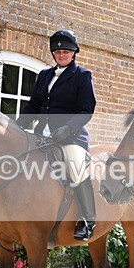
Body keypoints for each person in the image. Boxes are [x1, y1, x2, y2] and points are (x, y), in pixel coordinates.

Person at [16, 29, 97, 240]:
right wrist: (16, 126)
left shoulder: (82, 76)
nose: (62, 55)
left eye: (66, 52)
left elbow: (86, 110)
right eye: (58, 52)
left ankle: (88, 221)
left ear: (74, 54)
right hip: (41, 134)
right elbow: (34, 105)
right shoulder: (44, 76)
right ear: (53, 54)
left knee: (76, 166)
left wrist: (68, 129)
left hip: (70, 136)